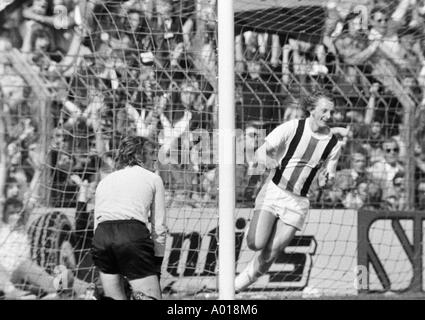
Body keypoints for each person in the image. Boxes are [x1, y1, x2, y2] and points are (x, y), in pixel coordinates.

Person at [234, 90, 342, 292]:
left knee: (271, 253)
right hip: (274, 191)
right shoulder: (292, 128)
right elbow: (259, 152)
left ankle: (233, 288)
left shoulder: (334, 144)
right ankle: (257, 226)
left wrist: (325, 180)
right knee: (256, 244)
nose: (328, 116)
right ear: (311, 109)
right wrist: (267, 160)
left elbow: (328, 178)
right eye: (324, 110)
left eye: (331, 112)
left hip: (298, 203)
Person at [91, 136, 167, 300]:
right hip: (131, 234)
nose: (156, 158)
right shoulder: (154, 179)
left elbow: (97, 224)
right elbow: (159, 227)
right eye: (152, 153)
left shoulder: (105, 181)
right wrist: (157, 263)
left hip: (101, 238)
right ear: (139, 157)